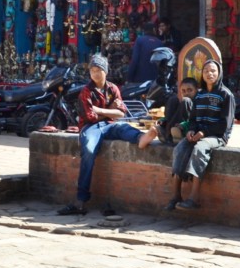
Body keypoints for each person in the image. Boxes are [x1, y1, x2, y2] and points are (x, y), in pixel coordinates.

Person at [57, 53, 143, 219]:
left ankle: (141, 138)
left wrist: (102, 110)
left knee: (125, 128)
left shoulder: (112, 88)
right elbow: (91, 117)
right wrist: (111, 111)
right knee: (88, 150)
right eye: (93, 70)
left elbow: (122, 113)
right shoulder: (86, 92)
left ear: (106, 71)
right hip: (91, 127)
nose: (95, 73)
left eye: (99, 70)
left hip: (109, 125)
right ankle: (80, 200)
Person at [167, 59, 235, 211]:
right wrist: (191, 130)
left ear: (219, 73)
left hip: (217, 136)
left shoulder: (226, 95)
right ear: (202, 75)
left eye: (213, 71)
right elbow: (192, 119)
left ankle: (194, 198)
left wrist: (203, 133)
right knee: (180, 148)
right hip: (198, 133)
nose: (210, 74)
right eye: (206, 71)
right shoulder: (199, 95)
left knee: (199, 148)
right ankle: (176, 195)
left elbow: (224, 125)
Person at [140, 76, 200, 149]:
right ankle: (168, 132)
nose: (186, 93)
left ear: (196, 90)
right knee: (173, 99)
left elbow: (196, 120)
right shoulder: (181, 101)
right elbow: (176, 114)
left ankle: (172, 134)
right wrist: (163, 120)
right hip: (174, 127)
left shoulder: (199, 101)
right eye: (183, 91)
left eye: (190, 90)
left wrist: (184, 125)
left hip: (189, 128)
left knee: (185, 101)